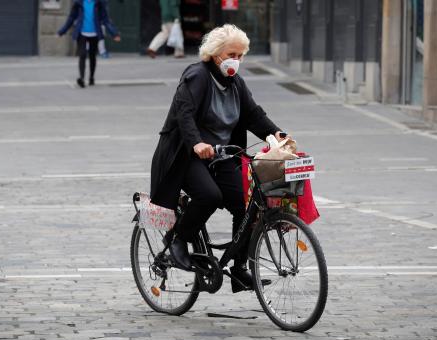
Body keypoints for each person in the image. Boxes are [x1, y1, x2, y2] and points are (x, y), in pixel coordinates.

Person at [149, 24, 287, 292]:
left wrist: (276, 133)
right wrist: (197, 143)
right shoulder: (197, 76)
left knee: (246, 205)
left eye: (241, 55)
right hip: (186, 154)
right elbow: (184, 114)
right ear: (215, 54)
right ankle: (177, 238)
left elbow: (253, 115)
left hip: (221, 156)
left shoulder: (236, 83)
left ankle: (239, 269)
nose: (236, 60)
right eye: (231, 54)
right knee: (209, 196)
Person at [57, 0, 120, 88]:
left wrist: (114, 34)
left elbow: (106, 20)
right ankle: (82, 79)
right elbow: (71, 18)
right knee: (82, 54)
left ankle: (91, 77)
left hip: (94, 33)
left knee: (92, 56)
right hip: (81, 33)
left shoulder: (99, 3)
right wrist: (62, 31)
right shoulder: (79, 3)